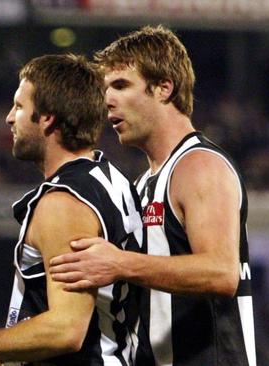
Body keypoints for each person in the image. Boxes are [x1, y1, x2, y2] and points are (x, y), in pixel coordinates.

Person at [0, 54, 145, 365]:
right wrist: (7, 348)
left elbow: (66, 330)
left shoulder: (64, 203)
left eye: (19, 107)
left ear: (47, 118)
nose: (9, 118)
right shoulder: (110, 178)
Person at [49, 25, 257, 366]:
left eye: (120, 85)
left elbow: (221, 272)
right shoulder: (146, 182)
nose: (107, 101)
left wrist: (118, 262)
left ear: (163, 88)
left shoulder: (199, 165)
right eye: (105, 89)